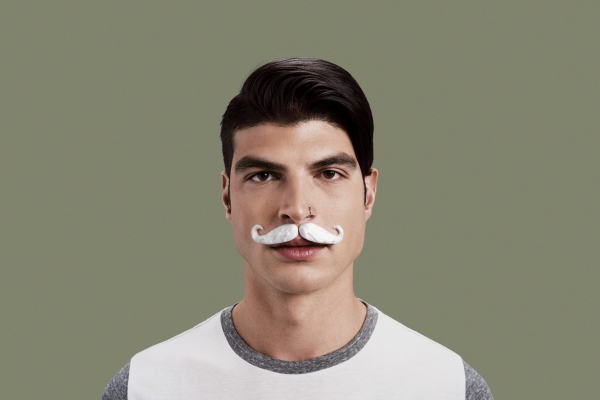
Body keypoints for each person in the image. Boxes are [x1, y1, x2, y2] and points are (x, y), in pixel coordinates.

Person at [101, 58, 493, 399]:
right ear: (227, 197)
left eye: (329, 173)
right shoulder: (147, 386)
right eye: (263, 175)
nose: (296, 209)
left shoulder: (446, 386)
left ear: (368, 194)